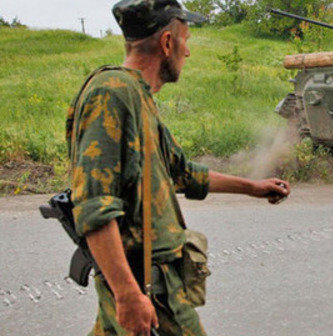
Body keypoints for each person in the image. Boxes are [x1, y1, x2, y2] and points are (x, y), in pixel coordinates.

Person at [65, 0, 291, 335]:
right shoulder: (112, 93)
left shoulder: (138, 97)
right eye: (185, 41)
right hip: (146, 287)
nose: (188, 52)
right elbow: (94, 206)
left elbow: (182, 171)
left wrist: (253, 188)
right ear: (167, 43)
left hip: (151, 283)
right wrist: (128, 294)